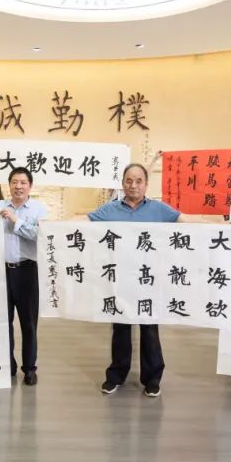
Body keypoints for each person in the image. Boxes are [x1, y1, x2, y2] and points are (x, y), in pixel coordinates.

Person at [88, 163, 194, 398]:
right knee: (120, 329)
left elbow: (186, 221)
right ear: (122, 183)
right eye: (129, 180)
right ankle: (116, 375)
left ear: (146, 184)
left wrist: (226, 225)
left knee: (149, 330)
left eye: (138, 181)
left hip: (149, 280)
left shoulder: (159, 209)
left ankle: (152, 379)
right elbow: (83, 222)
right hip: (120, 280)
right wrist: (49, 225)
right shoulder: (110, 210)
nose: (133, 185)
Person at [0, 167, 47, 385]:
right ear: (9, 185)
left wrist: (15, 220)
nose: (18, 186)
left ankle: (29, 368)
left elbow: (39, 236)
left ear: (30, 186)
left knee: (29, 323)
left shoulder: (39, 209)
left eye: (23, 182)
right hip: (1, 271)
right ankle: (7, 366)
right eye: (14, 182)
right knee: (4, 322)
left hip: (27, 270)